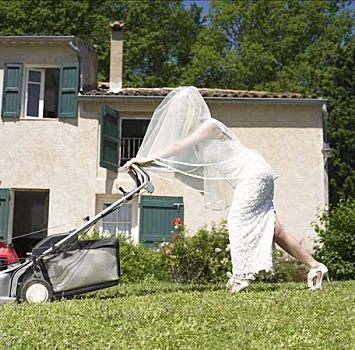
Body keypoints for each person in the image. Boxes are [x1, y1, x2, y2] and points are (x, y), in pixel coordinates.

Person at [123, 86, 328, 292]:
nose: (179, 116)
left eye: (182, 111)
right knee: (275, 230)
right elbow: (179, 162)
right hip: (258, 172)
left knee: (236, 219)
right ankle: (315, 267)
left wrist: (144, 158)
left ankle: (241, 276)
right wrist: (143, 164)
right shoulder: (196, 136)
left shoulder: (209, 125)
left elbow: (176, 149)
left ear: (192, 110)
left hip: (251, 173)